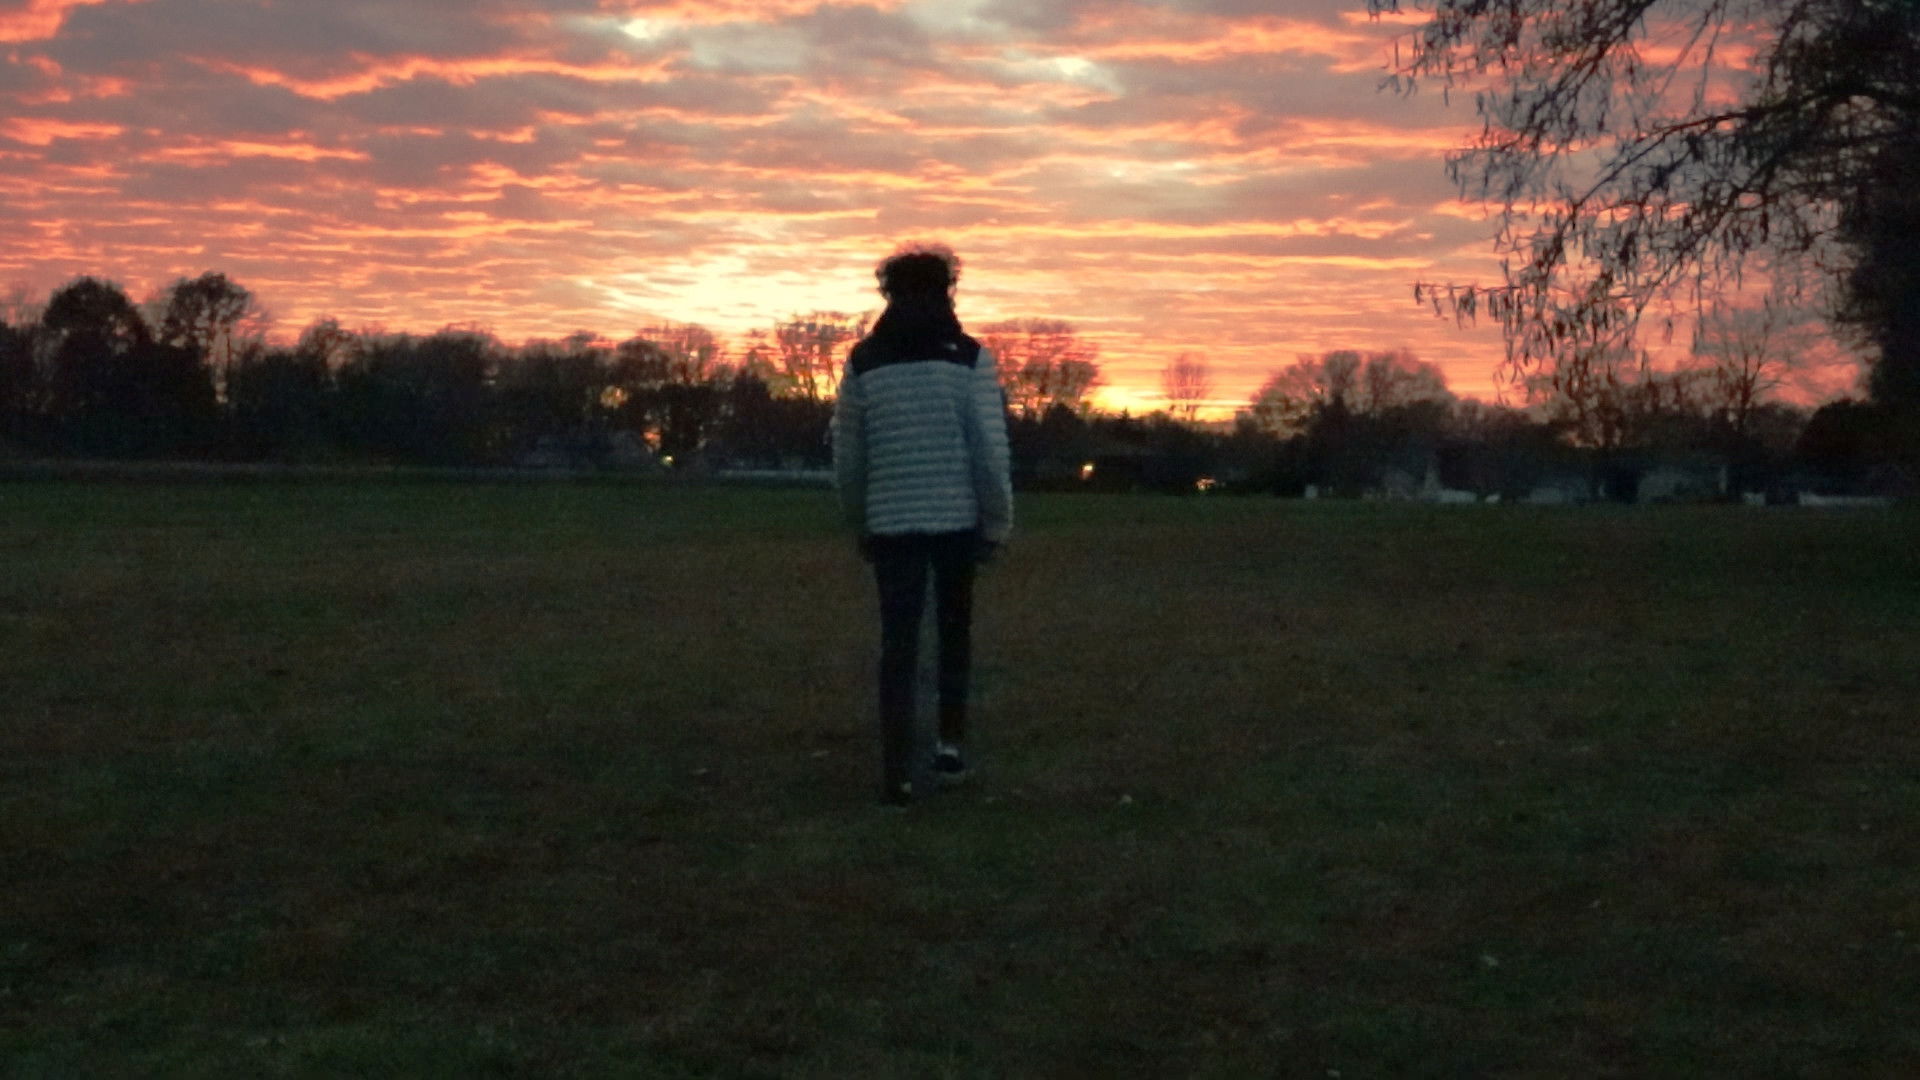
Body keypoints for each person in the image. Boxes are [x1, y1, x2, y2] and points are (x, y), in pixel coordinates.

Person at [832, 244, 1013, 808]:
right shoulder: (970, 358)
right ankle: (949, 747)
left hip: (891, 521)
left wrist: (859, 519)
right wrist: (997, 521)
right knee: (954, 633)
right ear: (947, 290)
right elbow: (988, 451)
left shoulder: (864, 362)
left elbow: (849, 455)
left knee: (898, 644)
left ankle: (897, 774)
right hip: (957, 519)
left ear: (888, 293)